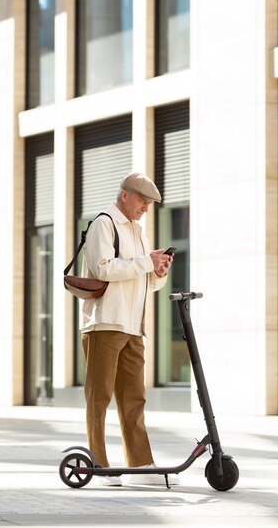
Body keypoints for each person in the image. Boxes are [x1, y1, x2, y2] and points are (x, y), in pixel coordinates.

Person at [80, 171, 175, 486]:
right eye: (142, 201)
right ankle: (98, 464)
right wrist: (147, 262)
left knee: (134, 398)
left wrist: (157, 270)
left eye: (149, 204)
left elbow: (145, 281)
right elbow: (104, 269)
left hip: (134, 327)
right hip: (105, 324)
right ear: (125, 195)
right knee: (99, 397)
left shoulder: (138, 231)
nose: (145, 208)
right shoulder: (103, 224)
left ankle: (141, 464)